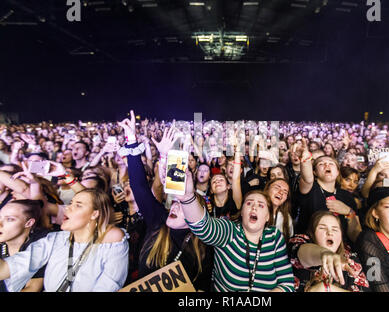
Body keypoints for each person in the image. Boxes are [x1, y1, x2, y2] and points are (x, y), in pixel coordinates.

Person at [118, 110, 213, 291]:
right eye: (175, 203)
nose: (174, 207)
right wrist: (131, 139)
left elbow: (203, 285)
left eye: (182, 205)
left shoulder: (204, 246)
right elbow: (139, 186)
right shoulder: (158, 221)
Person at [179, 173, 295, 292]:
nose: (254, 207)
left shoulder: (275, 237)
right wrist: (188, 197)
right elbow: (203, 227)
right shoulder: (229, 231)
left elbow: (287, 283)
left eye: (261, 205)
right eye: (249, 203)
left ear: (267, 217)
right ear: (242, 212)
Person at [0, 188, 128, 292]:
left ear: (94, 214)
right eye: (70, 203)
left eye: (78, 205)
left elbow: (110, 285)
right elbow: (7, 268)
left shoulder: (112, 240)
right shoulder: (54, 240)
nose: (68, 208)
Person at [295, 139, 361, 243]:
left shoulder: (347, 196)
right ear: (315, 172)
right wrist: (305, 159)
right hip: (310, 245)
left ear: (338, 172)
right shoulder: (311, 188)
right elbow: (307, 178)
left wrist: (349, 212)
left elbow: (355, 234)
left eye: (331, 163)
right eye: (321, 164)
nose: (327, 165)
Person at [289, 211, 369, 292]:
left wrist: (327, 289)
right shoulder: (300, 241)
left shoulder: (349, 259)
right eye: (322, 228)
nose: (330, 233)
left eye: (335, 229)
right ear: (312, 233)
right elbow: (302, 253)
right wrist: (325, 254)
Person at [0, 199, 49, 292]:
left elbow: (33, 288)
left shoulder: (39, 244)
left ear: (29, 223)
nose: (0, 224)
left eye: (9, 219)